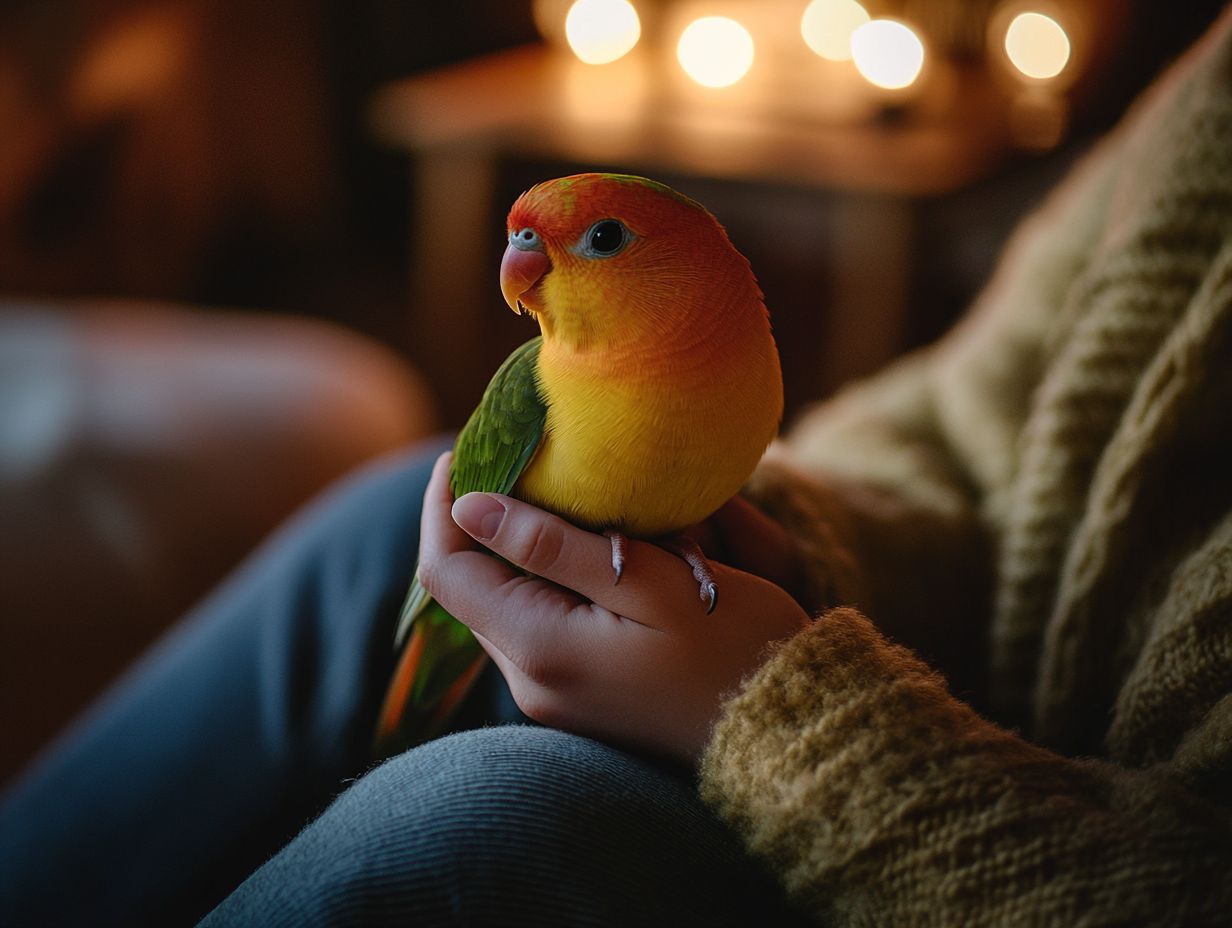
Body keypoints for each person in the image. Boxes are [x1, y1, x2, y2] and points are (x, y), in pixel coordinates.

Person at [5, 8, 1232, 926]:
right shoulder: (1198, 105)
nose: (528, 266)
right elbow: (973, 418)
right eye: (527, 243)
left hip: (916, 803)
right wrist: (790, 544)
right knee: (399, 510)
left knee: (483, 803)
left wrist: (756, 694)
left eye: (588, 242)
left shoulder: (746, 352)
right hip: (831, 602)